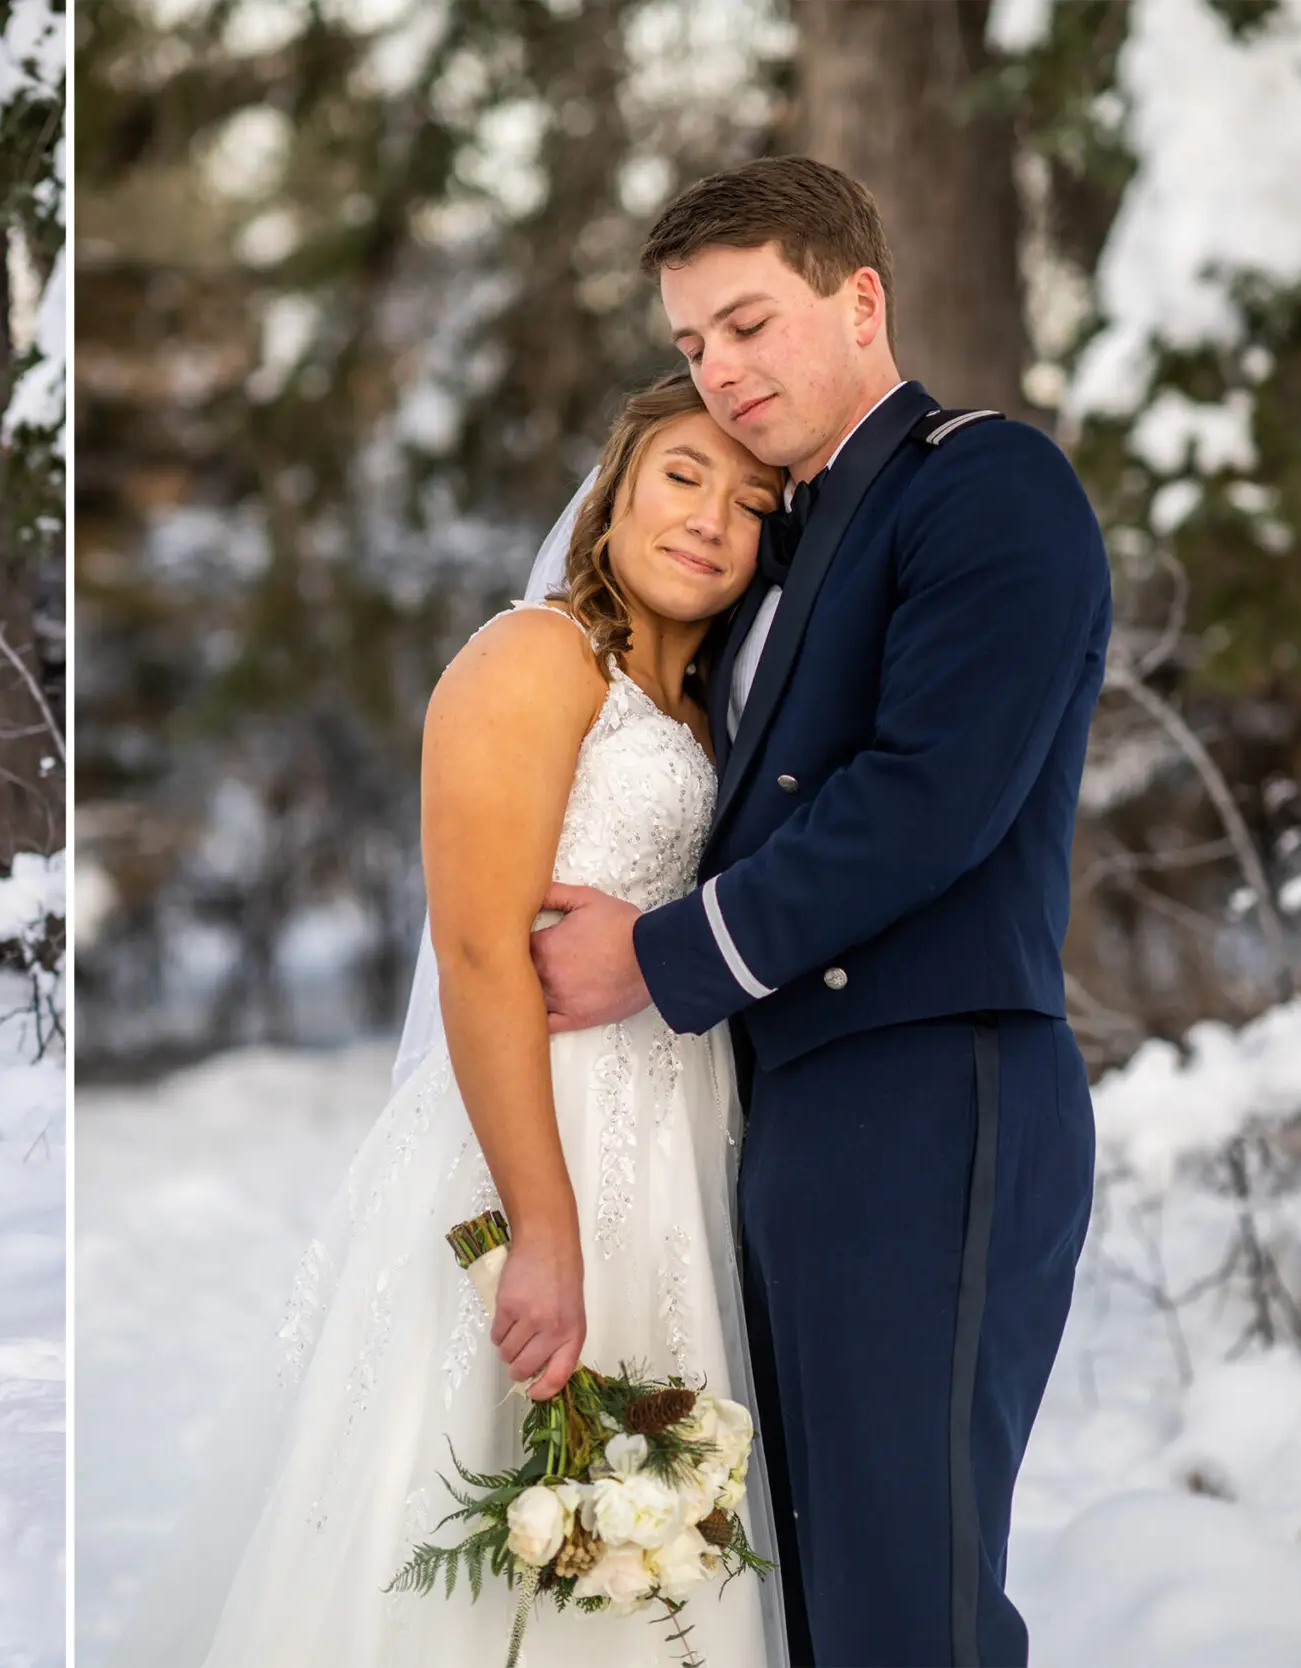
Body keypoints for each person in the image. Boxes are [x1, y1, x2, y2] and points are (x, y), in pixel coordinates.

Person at [532, 156, 1110, 1666]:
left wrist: (654, 961)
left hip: (936, 1090)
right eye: (689, 347)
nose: (718, 373)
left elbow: (930, 797)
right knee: (806, 1603)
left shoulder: (984, 484)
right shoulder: (774, 543)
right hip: (787, 1115)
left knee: (904, 1602)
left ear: (861, 299)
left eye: (747, 324)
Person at [117, 372, 789, 1667]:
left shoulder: (714, 712)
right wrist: (540, 1228)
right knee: (465, 1497)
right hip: (534, 1138)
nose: (712, 518)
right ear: (614, 492)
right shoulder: (535, 656)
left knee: (643, 1531)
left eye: (753, 502)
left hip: (683, 1154)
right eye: (683, 477)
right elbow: (482, 949)